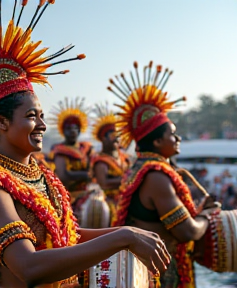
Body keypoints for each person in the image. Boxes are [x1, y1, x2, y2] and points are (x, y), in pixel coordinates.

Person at [0, 3, 170, 288]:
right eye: (31, 116)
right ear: (2, 123)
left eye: (42, 116)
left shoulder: (40, 175)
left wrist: (127, 231)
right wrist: (122, 238)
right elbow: (28, 267)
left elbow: (68, 236)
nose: (42, 125)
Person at [109, 61, 219, 288]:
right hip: (160, 276)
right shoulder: (155, 176)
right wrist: (207, 215)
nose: (178, 139)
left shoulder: (138, 168)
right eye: (173, 134)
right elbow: (187, 231)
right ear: (158, 141)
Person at [90, 103, 130, 225]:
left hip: (126, 197)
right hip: (110, 201)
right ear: (103, 138)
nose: (116, 139)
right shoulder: (101, 161)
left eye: (117, 135)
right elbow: (104, 183)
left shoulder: (124, 157)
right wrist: (126, 180)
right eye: (112, 135)